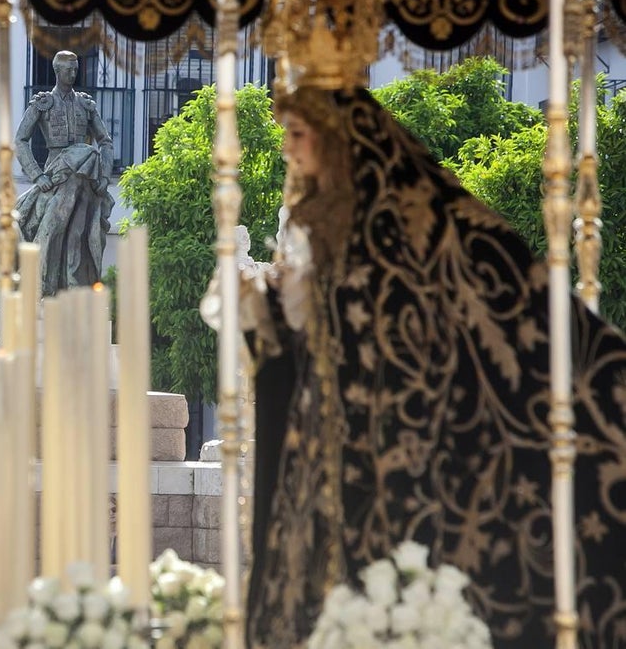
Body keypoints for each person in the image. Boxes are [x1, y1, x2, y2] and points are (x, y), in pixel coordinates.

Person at [238, 85, 626, 648]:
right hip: (342, 436)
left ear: (339, 141)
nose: (288, 150)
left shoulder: (409, 215)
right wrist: (269, 305)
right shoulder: (314, 216)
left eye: (299, 135)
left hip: (419, 437)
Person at [14, 50, 114, 297]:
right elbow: (20, 140)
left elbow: (105, 142)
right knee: (52, 228)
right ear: (57, 71)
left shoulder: (85, 104)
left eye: (76, 68)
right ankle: (43, 287)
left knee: (80, 235)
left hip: (85, 176)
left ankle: (75, 287)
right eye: (69, 69)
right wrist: (37, 175)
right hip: (56, 173)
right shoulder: (43, 103)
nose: (73, 73)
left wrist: (104, 176)